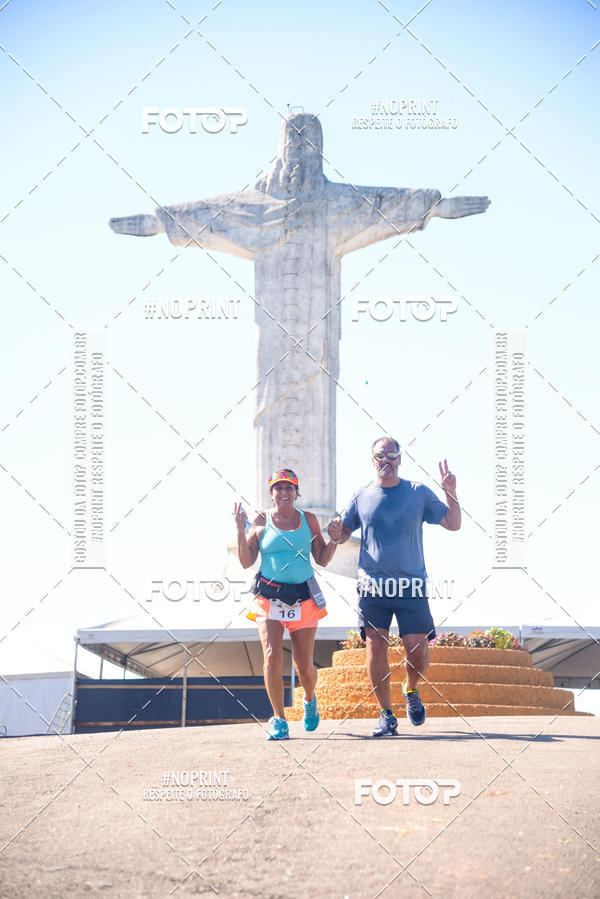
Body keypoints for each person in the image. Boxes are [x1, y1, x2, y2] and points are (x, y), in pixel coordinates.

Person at [328, 438, 461, 735]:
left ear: (400, 458)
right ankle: (386, 714)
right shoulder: (361, 495)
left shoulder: (418, 493)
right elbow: (342, 533)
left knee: (418, 652)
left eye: (391, 454)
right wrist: (336, 531)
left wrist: (450, 493)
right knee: (375, 646)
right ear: (372, 459)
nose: (386, 459)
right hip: (372, 585)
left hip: (411, 584)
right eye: (380, 455)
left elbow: (453, 523)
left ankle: (410, 689)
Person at [235, 469, 338, 740]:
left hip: (304, 599)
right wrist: (238, 530)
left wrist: (335, 539)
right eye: (278, 488)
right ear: (271, 493)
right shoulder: (260, 520)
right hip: (268, 599)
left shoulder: (310, 520)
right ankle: (279, 719)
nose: (284, 493)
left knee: (303, 666)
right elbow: (246, 561)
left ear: (296, 492)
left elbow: (322, 559)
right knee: (272, 655)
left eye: (289, 488)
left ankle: (309, 699)